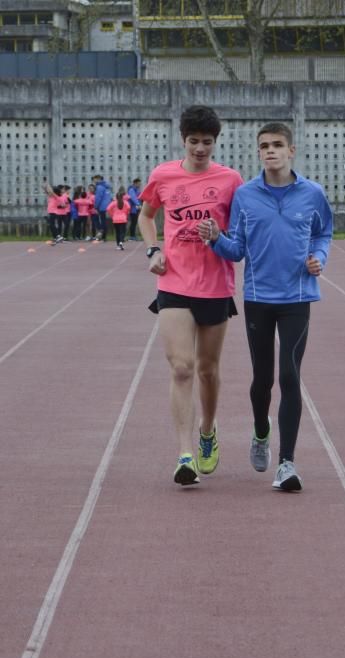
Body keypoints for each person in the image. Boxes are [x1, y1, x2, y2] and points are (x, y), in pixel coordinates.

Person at [198, 122, 333, 492]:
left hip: (298, 297)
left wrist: (318, 257)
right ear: (258, 153)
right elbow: (237, 249)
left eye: (277, 145)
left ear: (292, 151)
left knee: (290, 376)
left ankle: (287, 463)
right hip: (258, 298)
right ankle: (261, 431)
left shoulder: (312, 194)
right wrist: (215, 240)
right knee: (263, 380)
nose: (270, 151)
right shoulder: (246, 196)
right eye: (263, 146)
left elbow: (323, 232)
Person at [138, 105, 243, 486]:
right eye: (194, 141)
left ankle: (208, 430)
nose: (200, 148)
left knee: (207, 370)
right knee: (181, 367)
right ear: (182, 139)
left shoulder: (231, 180)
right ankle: (184, 454)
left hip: (215, 284)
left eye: (207, 142)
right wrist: (153, 250)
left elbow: (241, 235)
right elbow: (146, 216)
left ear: (216, 142)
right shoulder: (163, 175)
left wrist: (220, 236)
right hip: (174, 283)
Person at [93, 174, 112, 241]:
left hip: (101, 206)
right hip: (107, 206)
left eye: (94, 179)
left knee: (100, 220)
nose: (94, 181)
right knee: (104, 221)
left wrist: (95, 206)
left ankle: (101, 234)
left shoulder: (99, 187)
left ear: (98, 179)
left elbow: (98, 197)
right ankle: (104, 237)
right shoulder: (107, 187)